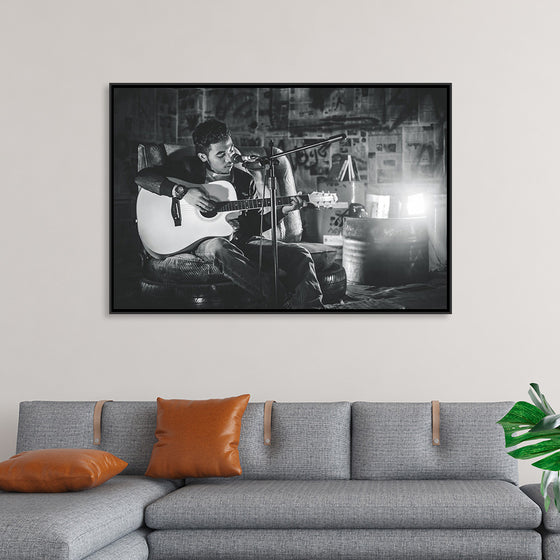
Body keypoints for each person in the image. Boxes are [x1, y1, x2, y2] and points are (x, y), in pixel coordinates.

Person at [135, 119, 324, 309]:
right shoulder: (186, 169)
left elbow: (254, 224)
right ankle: (282, 303)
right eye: (220, 154)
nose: (229, 158)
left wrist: (282, 211)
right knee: (220, 246)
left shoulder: (244, 180)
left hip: (240, 240)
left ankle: (312, 309)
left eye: (231, 149)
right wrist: (183, 192)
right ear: (203, 157)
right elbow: (142, 178)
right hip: (203, 242)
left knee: (300, 254)